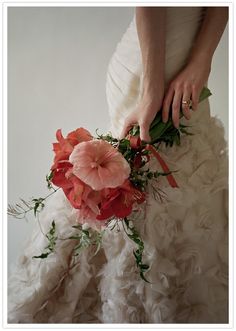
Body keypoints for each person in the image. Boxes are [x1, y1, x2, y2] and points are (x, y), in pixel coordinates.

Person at [8, 7, 228, 323]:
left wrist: (201, 62)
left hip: (189, 60)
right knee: (141, 188)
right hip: (150, 65)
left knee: (193, 178)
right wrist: (151, 91)